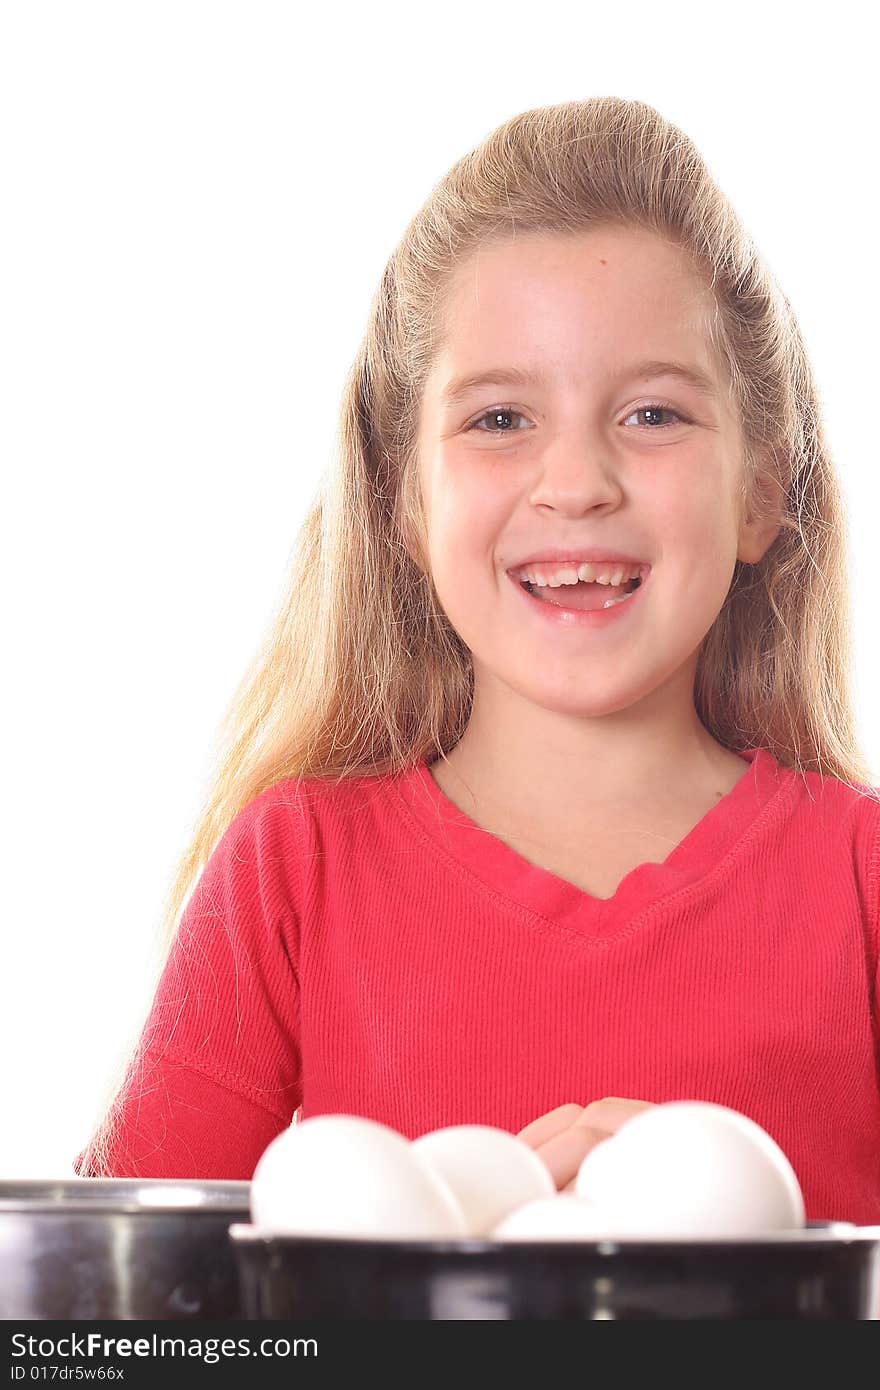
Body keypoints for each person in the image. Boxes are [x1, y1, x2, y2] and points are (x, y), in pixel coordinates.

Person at [74, 97, 880, 1225]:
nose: (575, 482)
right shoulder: (292, 877)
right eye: (499, 419)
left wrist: (750, 1235)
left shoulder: (861, 881)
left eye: (652, 413)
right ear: (403, 496)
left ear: (758, 490)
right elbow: (117, 1318)